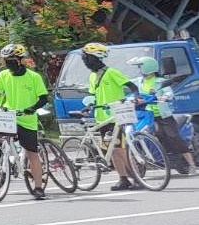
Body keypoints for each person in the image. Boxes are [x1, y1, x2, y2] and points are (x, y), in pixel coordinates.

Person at [0, 44, 51, 199]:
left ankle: (38, 187)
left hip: (27, 120)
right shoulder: (4, 76)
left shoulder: (33, 77)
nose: (7, 63)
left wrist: (32, 108)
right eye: (5, 61)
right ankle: (2, 163)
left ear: (20, 60)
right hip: (8, 116)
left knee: (32, 153)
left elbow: (43, 98)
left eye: (10, 60)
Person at [79, 42, 142, 190]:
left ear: (95, 58)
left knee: (120, 148)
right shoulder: (92, 76)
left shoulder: (111, 72)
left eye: (87, 58)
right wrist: (88, 107)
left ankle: (135, 177)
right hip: (102, 118)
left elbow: (132, 86)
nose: (85, 62)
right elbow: (93, 96)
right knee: (113, 149)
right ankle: (123, 178)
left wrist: (136, 96)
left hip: (116, 116)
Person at [129, 55, 197, 174]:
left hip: (162, 116)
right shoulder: (138, 81)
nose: (139, 69)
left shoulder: (159, 82)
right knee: (136, 135)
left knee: (174, 137)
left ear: (148, 67)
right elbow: (129, 90)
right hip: (144, 115)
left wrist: (164, 97)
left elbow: (168, 92)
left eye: (140, 67)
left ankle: (192, 165)